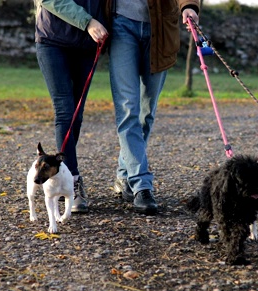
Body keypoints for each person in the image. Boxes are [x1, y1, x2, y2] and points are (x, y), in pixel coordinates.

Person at [106, 0, 200, 216]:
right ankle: (142, 186)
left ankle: (124, 174)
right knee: (128, 109)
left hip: (160, 28)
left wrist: (189, 6)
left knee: (147, 114)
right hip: (121, 26)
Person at [34, 0, 109, 213]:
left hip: (87, 44)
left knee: (77, 114)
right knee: (65, 110)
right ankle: (72, 180)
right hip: (53, 40)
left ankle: (60, 173)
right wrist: (88, 22)